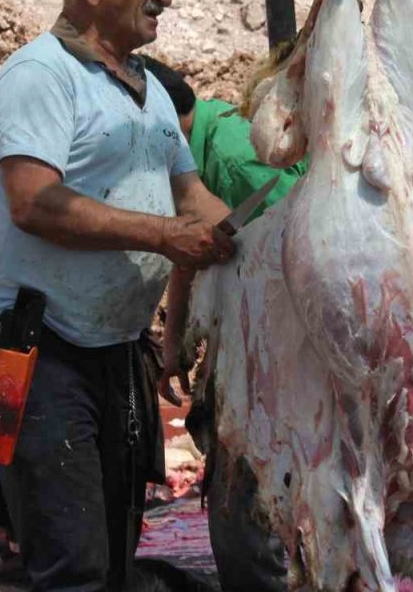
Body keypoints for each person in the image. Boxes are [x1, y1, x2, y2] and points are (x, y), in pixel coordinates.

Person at [0, 0, 236, 592]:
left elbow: (191, 196)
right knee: (70, 562)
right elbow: (34, 202)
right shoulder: (39, 77)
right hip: (24, 348)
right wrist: (161, 236)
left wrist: (273, 237)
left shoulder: (150, 89)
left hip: (113, 346)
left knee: (114, 554)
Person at [142, 56, 300, 592]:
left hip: (275, 347)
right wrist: (174, 344)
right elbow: (194, 247)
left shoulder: (232, 160)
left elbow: (295, 253)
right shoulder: (201, 146)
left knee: (247, 493)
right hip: (252, 341)